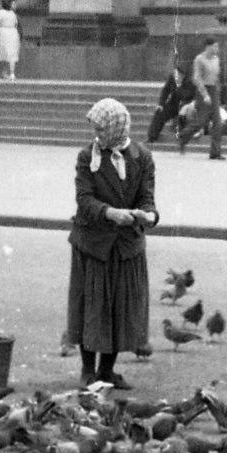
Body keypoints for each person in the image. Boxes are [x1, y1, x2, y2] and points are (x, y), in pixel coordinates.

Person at [67, 98, 158, 390]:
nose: (97, 135)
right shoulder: (87, 157)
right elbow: (84, 199)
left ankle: (107, 370)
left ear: (118, 128)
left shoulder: (142, 157)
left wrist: (149, 216)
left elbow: (147, 197)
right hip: (93, 244)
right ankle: (86, 370)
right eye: (95, 129)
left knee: (119, 309)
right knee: (92, 308)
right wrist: (110, 213)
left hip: (126, 246)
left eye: (101, 129)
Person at [179, 37, 224, 158]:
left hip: (214, 90)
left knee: (217, 122)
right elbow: (197, 78)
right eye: (214, 46)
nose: (217, 49)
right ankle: (184, 136)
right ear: (208, 47)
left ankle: (215, 152)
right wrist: (204, 95)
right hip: (203, 90)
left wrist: (217, 92)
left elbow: (216, 77)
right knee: (201, 121)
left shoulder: (216, 59)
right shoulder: (199, 59)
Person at [0, 0, 21, 80]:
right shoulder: (13, 14)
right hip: (13, 33)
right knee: (11, 53)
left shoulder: (1, 12)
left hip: (3, 32)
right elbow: (16, 24)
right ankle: (11, 73)